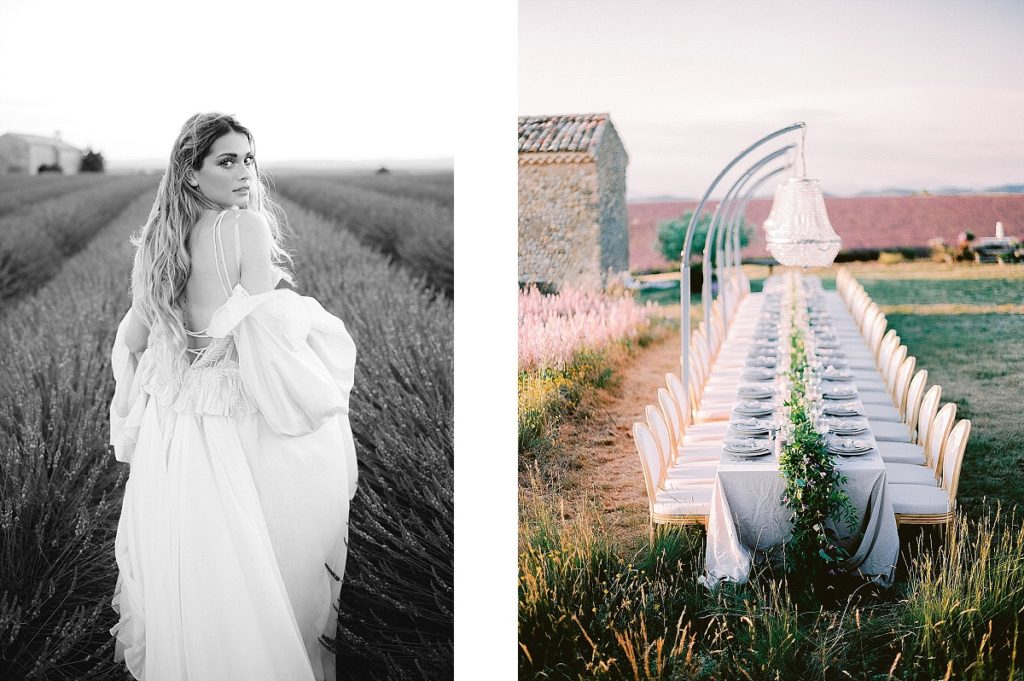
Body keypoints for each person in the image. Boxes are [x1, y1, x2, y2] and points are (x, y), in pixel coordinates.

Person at [108, 112, 358, 680]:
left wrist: (161, 378)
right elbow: (267, 338)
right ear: (192, 174)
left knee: (189, 560)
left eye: (248, 158)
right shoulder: (246, 227)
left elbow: (134, 339)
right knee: (258, 558)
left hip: (174, 424)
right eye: (227, 160)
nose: (244, 172)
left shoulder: (157, 242)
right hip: (235, 420)